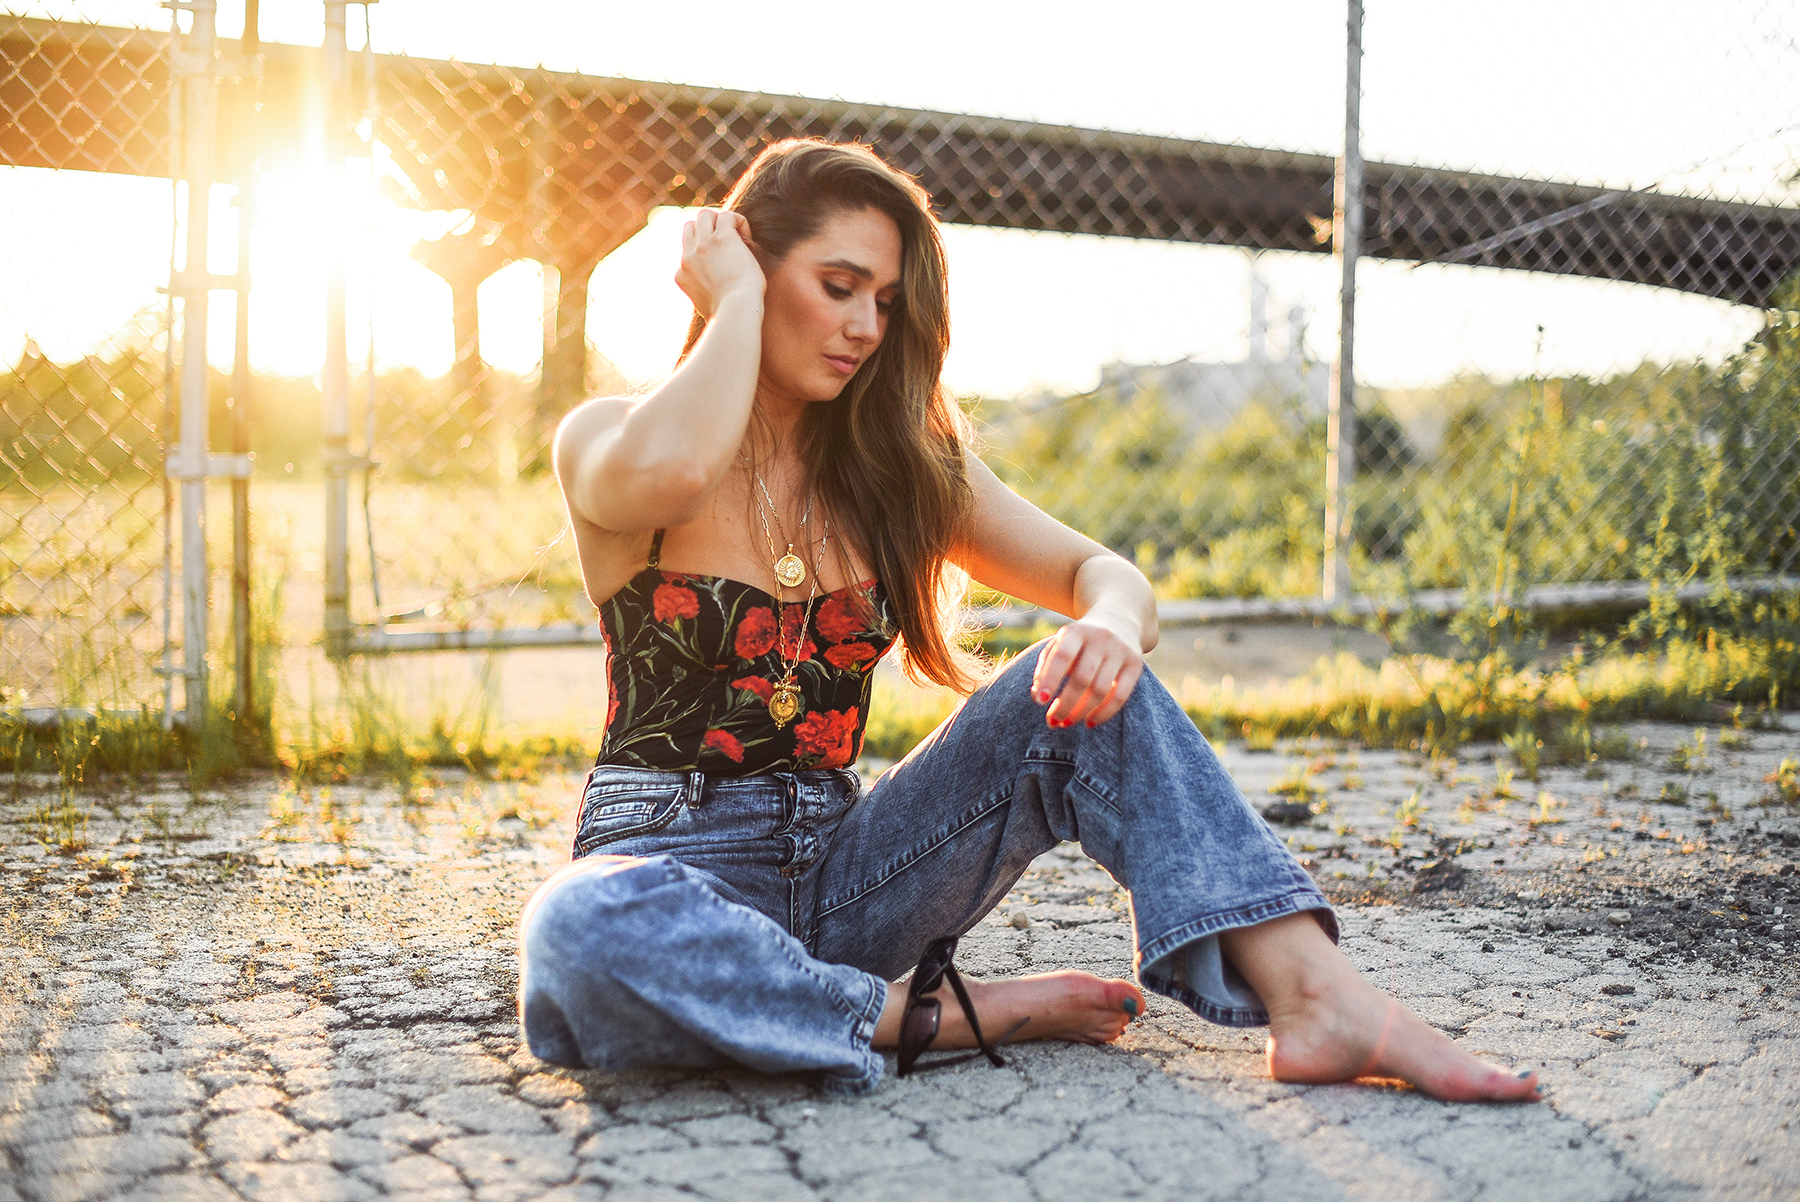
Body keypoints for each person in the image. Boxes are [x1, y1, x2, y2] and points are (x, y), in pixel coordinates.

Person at [517, 137, 1542, 1103]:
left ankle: (1319, 996)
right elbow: (682, 466)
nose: (867, 327)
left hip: (844, 882)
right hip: (660, 866)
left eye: (884, 300)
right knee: (573, 922)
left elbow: (1109, 573)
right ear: (746, 264)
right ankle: (935, 1018)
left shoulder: (899, 471)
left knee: (1082, 682)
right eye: (837, 286)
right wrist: (731, 297)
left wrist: (1108, 623)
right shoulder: (607, 437)